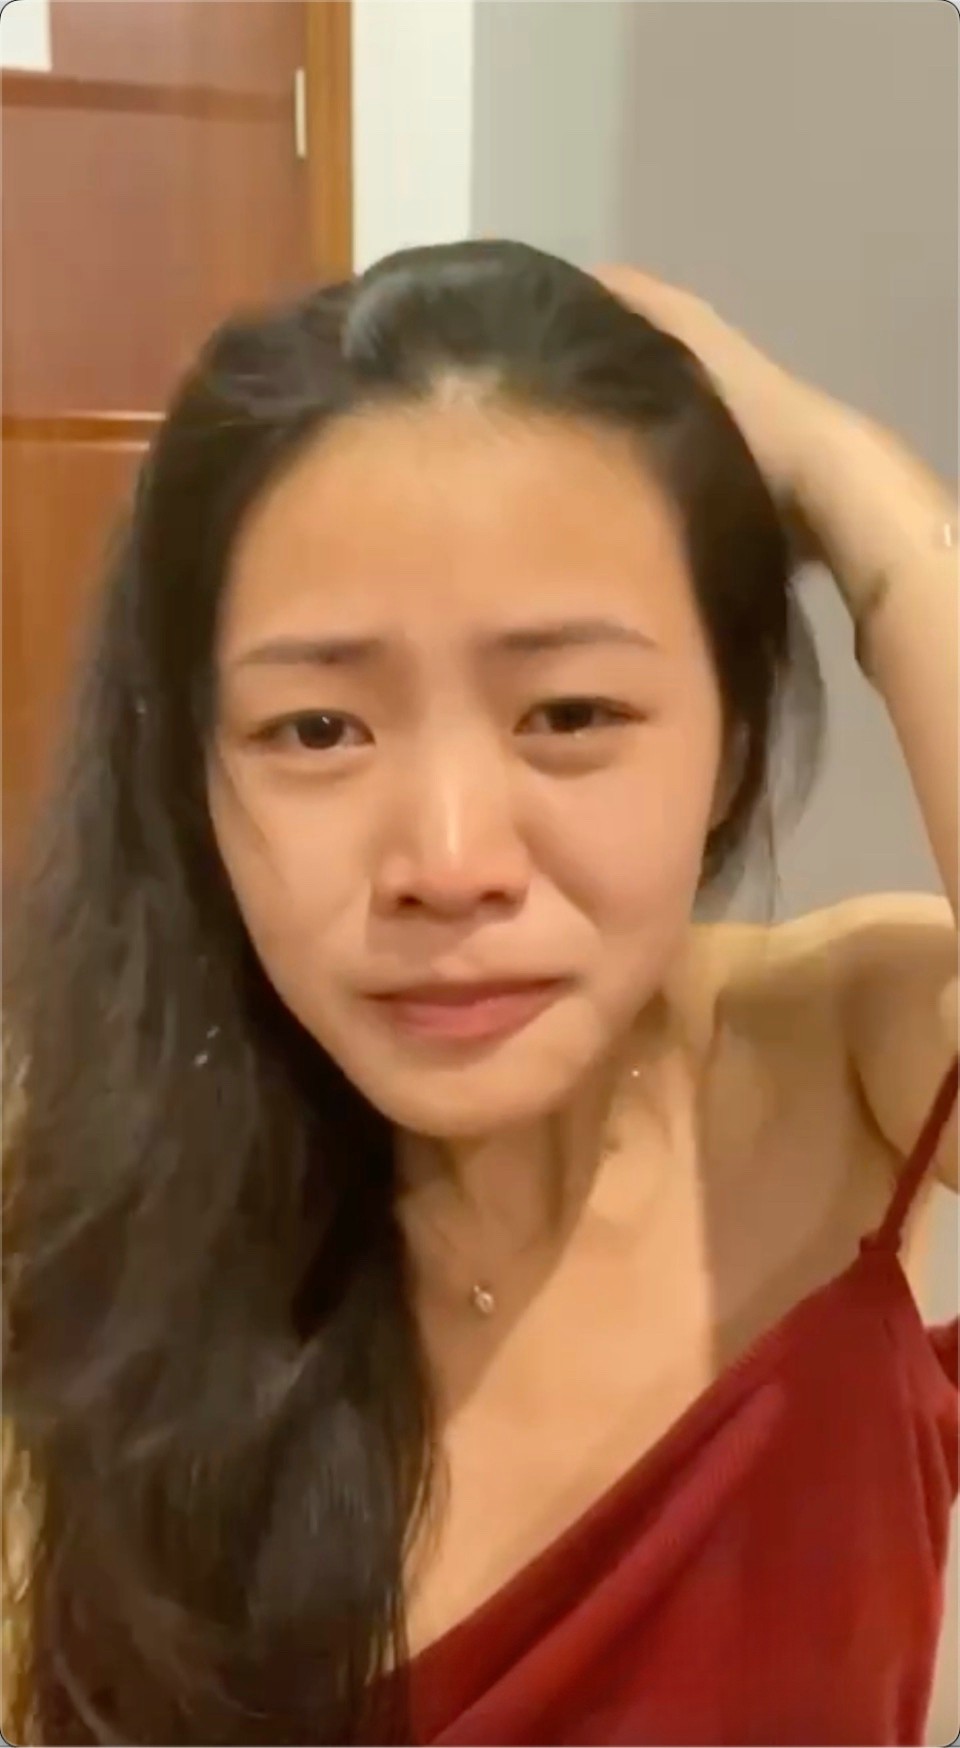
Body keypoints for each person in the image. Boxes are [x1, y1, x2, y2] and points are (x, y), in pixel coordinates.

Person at [2, 240, 957, 1747]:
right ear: (192, 776)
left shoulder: (844, 1056)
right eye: (318, 730)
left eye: (569, 712)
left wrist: (873, 511)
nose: (448, 866)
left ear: (728, 747)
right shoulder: (85, 1220)